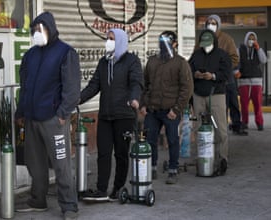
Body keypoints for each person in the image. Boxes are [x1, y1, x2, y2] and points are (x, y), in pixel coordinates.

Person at [15, 12, 80, 220]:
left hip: (54, 119)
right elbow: (24, 87)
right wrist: (21, 111)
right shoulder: (30, 55)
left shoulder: (65, 53)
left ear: (50, 29)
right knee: (35, 164)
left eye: (40, 29)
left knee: (61, 164)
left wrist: (62, 114)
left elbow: (72, 90)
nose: (37, 33)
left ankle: (69, 206)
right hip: (32, 118)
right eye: (34, 30)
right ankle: (38, 200)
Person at [79, 28, 143, 201]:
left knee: (121, 154)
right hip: (106, 116)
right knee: (103, 153)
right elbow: (93, 86)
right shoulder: (103, 62)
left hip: (124, 115)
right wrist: (76, 99)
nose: (108, 41)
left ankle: (118, 188)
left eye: (112, 39)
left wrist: (134, 98)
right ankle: (101, 190)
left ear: (121, 41)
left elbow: (136, 82)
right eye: (107, 38)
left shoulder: (131, 61)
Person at [140, 31, 193, 184]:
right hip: (152, 110)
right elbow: (144, 84)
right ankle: (152, 168)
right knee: (150, 140)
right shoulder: (152, 61)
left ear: (175, 44)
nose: (164, 44)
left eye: (168, 41)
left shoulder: (180, 63)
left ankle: (172, 170)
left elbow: (186, 89)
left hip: (170, 111)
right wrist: (143, 104)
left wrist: (176, 110)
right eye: (161, 41)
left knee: (173, 140)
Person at [189, 29, 231, 175]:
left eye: (209, 44)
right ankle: (201, 160)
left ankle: (222, 160)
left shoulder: (222, 55)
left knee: (221, 130)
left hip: (216, 94)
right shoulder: (196, 55)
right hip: (198, 95)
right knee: (198, 129)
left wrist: (213, 76)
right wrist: (195, 74)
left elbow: (227, 74)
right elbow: (188, 70)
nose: (206, 47)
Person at [205, 14, 247, 136]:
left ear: (218, 25)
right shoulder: (203, 39)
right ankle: (219, 129)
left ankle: (236, 125)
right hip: (212, 80)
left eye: (213, 23)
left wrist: (224, 68)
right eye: (209, 22)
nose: (211, 25)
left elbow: (235, 58)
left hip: (227, 78)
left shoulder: (226, 39)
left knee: (233, 102)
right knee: (219, 106)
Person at [237, 31, 267, 131]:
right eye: (249, 38)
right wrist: (236, 71)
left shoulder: (258, 49)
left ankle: (259, 123)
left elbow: (264, 60)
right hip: (243, 81)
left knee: (258, 104)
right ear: (246, 39)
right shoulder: (240, 49)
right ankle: (244, 122)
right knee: (244, 104)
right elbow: (235, 62)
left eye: (253, 39)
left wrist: (258, 49)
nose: (251, 40)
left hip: (256, 81)